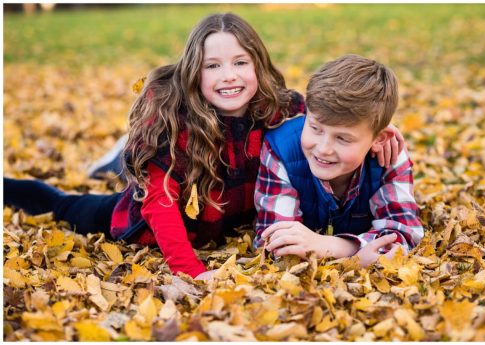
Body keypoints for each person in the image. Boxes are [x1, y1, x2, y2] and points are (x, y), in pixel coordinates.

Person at [3, 13, 402, 280]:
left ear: (258, 67)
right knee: (68, 206)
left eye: (240, 62)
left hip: (230, 221)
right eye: (213, 66)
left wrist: (381, 129)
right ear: (195, 71)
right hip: (155, 226)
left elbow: (332, 116)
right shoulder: (174, 125)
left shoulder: (279, 108)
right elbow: (158, 203)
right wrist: (189, 269)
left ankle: (115, 162)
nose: (229, 76)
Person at [254, 54, 424, 267]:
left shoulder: (389, 154)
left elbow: (404, 234)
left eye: (342, 138)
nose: (324, 149)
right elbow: (274, 242)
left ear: (379, 139)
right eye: (315, 128)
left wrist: (336, 247)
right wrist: (358, 252)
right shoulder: (281, 149)